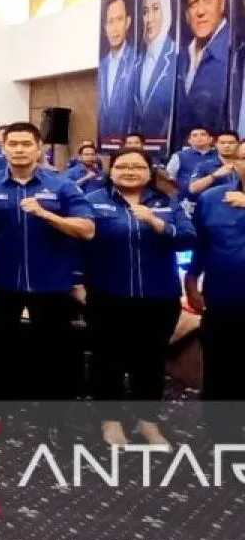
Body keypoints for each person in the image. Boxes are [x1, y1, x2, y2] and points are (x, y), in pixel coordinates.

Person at [0, 122, 95, 405]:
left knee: (53, 350)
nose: (19, 149)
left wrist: (45, 214)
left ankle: (52, 412)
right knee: (1, 348)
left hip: (51, 281)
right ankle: (3, 409)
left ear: (39, 149)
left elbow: (87, 229)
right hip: (3, 280)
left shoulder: (62, 185)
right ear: (3, 149)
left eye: (26, 144)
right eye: (13, 144)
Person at [82, 147, 193, 449]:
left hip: (159, 296)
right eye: (122, 166)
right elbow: (78, 244)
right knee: (108, 359)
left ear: (149, 172)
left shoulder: (166, 203)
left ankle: (148, 421)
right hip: (108, 294)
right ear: (111, 170)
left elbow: (188, 238)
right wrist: (77, 283)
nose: (130, 172)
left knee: (151, 360)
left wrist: (158, 224)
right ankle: (110, 420)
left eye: (137, 167)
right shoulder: (92, 201)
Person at [187, 139, 245, 437]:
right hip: (223, 300)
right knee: (221, 368)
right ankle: (221, 435)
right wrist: (191, 278)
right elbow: (201, 244)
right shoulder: (212, 199)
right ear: (235, 163)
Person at [175, 0, 231, 139]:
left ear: (222, 2)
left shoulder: (235, 52)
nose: (200, 11)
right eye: (193, 3)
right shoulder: (180, 59)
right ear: (186, 14)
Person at [135, 0, 177, 141]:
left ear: (166, 9)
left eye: (156, 9)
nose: (149, 18)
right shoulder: (138, 63)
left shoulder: (176, 56)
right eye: (145, 11)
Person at [99, 0, 137, 139]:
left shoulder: (136, 61)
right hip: (106, 143)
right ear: (105, 27)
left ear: (128, 22)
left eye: (119, 19)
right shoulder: (102, 66)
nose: (115, 28)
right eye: (110, 21)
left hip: (128, 144)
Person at [165, 126, 216, 200]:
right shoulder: (179, 156)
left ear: (210, 139)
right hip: (186, 200)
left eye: (203, 135)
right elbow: (168, 178)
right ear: (189, 141)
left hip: (213, 199)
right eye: (195, 135)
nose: (199, 137)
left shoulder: (219, 156)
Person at [187, 130, 241, 197]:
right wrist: (214, 175)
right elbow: (192, 189)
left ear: (238, 144)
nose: (226, 146)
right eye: (222, 143)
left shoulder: (242, 164)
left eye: (231, 143)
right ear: (216, 144)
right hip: (213, 202)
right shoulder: (204, 165)